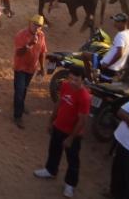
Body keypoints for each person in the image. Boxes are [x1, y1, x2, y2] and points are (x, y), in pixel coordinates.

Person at [33, 65, 90, 198]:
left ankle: (70, 185)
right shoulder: (65, 85)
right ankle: (50, 170)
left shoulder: (84, 97)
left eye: (76, 80)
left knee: (73, 160)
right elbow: (59, 103)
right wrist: (51, 121)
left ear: (82, 80)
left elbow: (82, 121)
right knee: (54, 150)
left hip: (73, 133)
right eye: (70, 78)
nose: (72, 82)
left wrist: (70, 138)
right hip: (58, 126)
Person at [13, 14, 47, 129]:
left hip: (32, 68)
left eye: (39, 26)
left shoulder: (41, 36)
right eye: (35, 24)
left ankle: (20, 105)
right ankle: (18, 116)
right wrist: (29, 44)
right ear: (30, 23)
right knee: (20, 90)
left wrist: (42, 68)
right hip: (20, 67)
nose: (36, 27)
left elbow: (42, 52)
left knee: (24, 89)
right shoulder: (21, 35)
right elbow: (19, 53)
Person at [99, 13, 129, 77]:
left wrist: (107, 65)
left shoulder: (121, 35)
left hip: (109, 67)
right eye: (115, 20)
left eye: (117, 21)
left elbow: (120, 53)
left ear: (124, 23)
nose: (115, 23)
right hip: (116, 67)